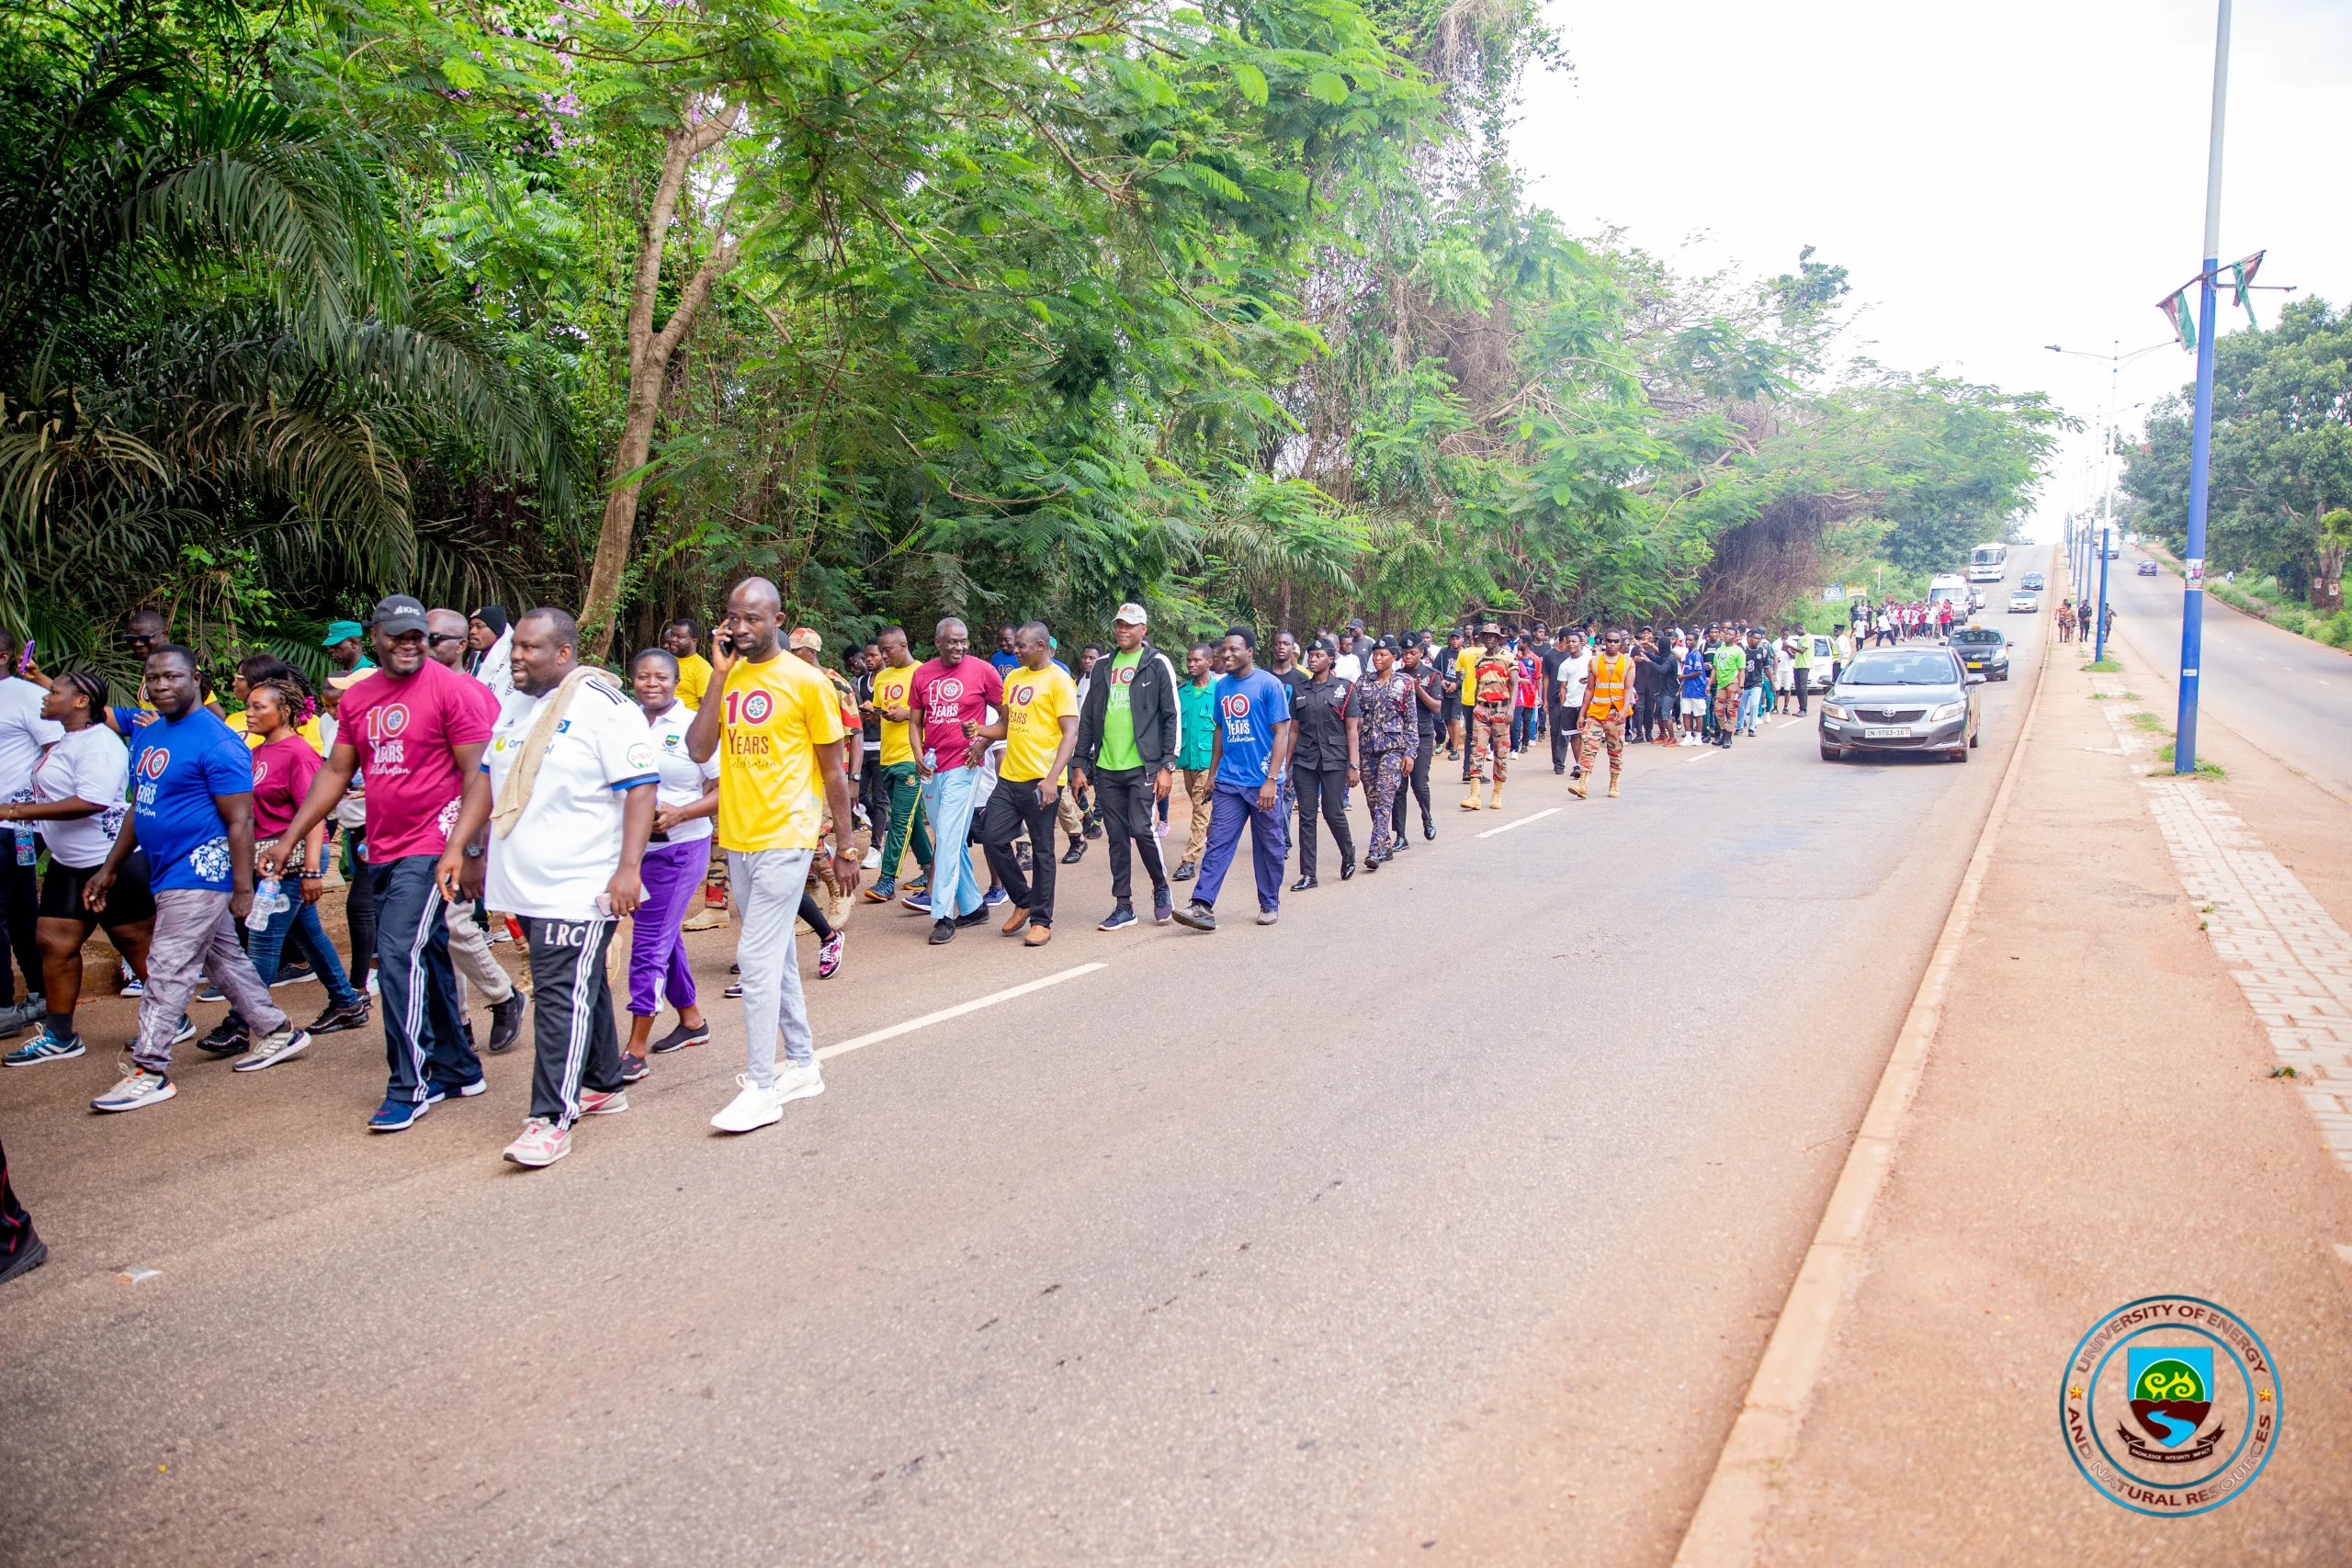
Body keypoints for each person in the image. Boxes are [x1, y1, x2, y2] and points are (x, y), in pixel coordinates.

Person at [435, 608, 656, 1168]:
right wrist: (462, 847)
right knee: (582, 983)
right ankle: (602, 1083)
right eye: (515, 648)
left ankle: (550, 1119)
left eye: (529, 649)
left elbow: (640, 789)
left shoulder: (607, 708)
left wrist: (629, 869)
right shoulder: (515, 705)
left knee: (560, 993)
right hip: (523, 883)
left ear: (563, 653)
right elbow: (487, 780)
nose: (516, 657)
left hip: (579, 883)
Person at [264, 595, 492, 1131]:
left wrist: (468, 850)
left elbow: (480, 776)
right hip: (384, 844)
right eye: (398, 636)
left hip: (435, 844)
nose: (410, 645)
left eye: (418, 637)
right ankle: (457, 1068)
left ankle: (409, 1085)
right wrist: (291, 837)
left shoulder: (455, 690)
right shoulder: (359, 698)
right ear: (376, 638)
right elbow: (335, 772)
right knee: (425, 951)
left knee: (395, 955)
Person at [86, 644, 305, 1111]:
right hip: (164, 868)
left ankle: (150, 1069)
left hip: (201, 869)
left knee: (168, 966)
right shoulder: (148, 734)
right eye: (153, 678)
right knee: (222, 958)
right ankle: (276, 1030)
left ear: (195, 680)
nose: (161, 685)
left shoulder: (218, 741)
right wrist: (109, 868)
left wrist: (242, 888)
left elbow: (241, 821)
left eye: (172, 677)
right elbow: (140, 805)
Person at [688, 580, 858, 1134]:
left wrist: (845, 846)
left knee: (755, 958)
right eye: (733, 618)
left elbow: (834, 772)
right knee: (777, 953)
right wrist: (718, 675)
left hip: (787, 836)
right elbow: (697, 748)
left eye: (753, 618)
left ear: (778, 620)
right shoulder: (730, 676)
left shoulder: (808, 682)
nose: (741, 628)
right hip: (738, 838)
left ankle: (762, 1088)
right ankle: (803, 1065)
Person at [195, 674, 369, 1065]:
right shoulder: (257, 752)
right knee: (308, 935)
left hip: (289, 865)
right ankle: (347, 1002)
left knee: (262, 942)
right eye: (249, 706)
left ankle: (240, 1024)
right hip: (264, 862)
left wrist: (312, 871)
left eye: (259, 707)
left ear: (285, 711)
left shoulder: (298, 754)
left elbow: (314, 815)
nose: (249, 713)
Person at [1, 671, 151, 1066]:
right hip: (68, 863)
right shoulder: (69, 740)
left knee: (136, 946)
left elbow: (92, 801)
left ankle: (170, 1019)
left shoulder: (100, 743)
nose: (45, 696)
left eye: (54, 692)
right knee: (54, 943)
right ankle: (60, 1036)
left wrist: (15, 812)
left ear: (81, 701)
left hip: (111, 862)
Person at [425, 608, 526, 1055]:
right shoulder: (410, 692)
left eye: (433, 638)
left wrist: (473, 847)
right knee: (435, 932)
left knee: (452, 921)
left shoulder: (473, 693)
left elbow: (487, 775)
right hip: (414, 830)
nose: (423, 646)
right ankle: (458, 1022)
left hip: (457, 827)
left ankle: (503, 995)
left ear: (460, 645)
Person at [622, 647, 721, 1081]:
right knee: (664, 936)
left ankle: (635, 1048)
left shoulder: (694, 726)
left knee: (648, 943)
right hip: (630, 851)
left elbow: (727, 788)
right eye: (643, 676)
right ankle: (692, 1021)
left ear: (676, 682)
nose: (652, 684)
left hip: (680, 849)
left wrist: (680, 813)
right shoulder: (621, 722)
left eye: (661, 677)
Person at [1172, 627, 1293, 931]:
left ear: (1249, 652)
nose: (1226, 654)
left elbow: (1282, 733)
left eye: (1234, 649)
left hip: (1263, 782)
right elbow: (1220, 730)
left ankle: (1269, 903)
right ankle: (1202, 905)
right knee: (1218, 842)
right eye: (1224, 650)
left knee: (1269, 845)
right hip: (1229, 781)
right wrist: (1213, 774)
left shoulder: (1268, 684)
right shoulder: (1222, 686)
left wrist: (1272, 779)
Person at [1071, 602, 1182, 930]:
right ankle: (1123, 905)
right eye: (1120, 624)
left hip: (1143, 766)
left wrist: (1167, 766)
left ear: (1143, 630)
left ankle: (1161, 887)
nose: (1123, 630)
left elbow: (1172, 716)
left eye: (1130, 625)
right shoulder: (1103, 666)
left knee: (1142, 830)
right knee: (1116, 836)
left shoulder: (1157, 663)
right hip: (1107, 766)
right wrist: (1078, 764)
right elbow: (1088, 718)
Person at [978, 623, 1081, 945]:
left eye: (1021, 646)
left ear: (1040, 645)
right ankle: (1023, 900)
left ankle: (1041, 920)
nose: (1016, 651)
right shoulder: (1014, 678)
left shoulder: (1059, 680)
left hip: (1042, 781)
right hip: (1010, 776)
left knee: (1042, 850)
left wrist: (1052, 779)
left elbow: (1071, 733)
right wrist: (979, 733)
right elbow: (1006, 725)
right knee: (992, 838)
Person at [904, 618, 1002, 942]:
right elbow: (915, 722)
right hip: (932, 767)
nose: (959, 647)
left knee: (946, 836)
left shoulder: (983, 671)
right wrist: (918, 754)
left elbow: (1006, 719)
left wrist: (983, 743)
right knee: (951, 838)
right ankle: (973, 906)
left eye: (963, 641)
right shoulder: (922, 674)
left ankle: (942, 914)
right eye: (952, 642)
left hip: (965, 765)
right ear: (938, 642)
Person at [0, 663, 62, 1039]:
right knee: (21, 908)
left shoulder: (27, 696)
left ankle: (3, 1008)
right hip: (11, 825)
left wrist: (29, 806)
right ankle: (42, 993)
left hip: (17, 825)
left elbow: (58, 752)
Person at [863, 626, 931, 904]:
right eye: (881, 650)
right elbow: (883, 713)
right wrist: (873, 714)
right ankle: (930, 869)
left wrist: (908, 714)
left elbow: (935, 714)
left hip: (912, 758)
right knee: (910, 818)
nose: (883, 655)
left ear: (903, 646)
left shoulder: (923, 673)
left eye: (887, 650)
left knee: (900, 820)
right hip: (887, 757)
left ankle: (887, 879)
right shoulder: (882, 677)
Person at [1287, 639, 1357, 889]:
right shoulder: (1299, 690)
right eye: (1311, 655)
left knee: (1332, 811)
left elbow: (1352, 730)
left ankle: (1348, 853)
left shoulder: (1344, 689)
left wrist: (1354, 765)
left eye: (1319, 655)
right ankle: (1309, 874)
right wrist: (1285, 767)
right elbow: (1293, 731)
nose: (1313, 659)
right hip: (1305, 760)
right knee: (1306, 816)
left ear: (1330, 659)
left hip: (1334, 759)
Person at [1354, 640, 1415, 868]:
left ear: (1394, 657)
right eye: (1375, 655)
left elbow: (1411, 720)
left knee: (1384, 797)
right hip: (1367, 747)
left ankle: (1375, 849)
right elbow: (1355, 717)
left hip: (1393, 748)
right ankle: (1386, 845)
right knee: (1372, 799)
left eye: (1383, 654)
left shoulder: (1404, 683)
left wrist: (1410, 753)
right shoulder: (1363, 682)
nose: (1377, 658)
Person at [1170, 643, 1218, 882]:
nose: (1191, 664)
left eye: (1197, 660)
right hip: (1188, 761)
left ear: (1209, 662)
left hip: (1210, 763)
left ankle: (1188, 861)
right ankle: (1218, 846)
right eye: (1189, 660)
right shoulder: (1182, 694)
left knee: (1200, 809)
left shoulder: (1219, 691)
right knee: (1203, 810)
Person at [1568, 629, 1634, 800]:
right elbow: (1589, 689)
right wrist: (1582, 714)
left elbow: (1628, 688)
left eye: (1616, 641)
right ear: (1604, 641)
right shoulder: (1595, 661)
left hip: (1616, 712)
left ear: (1620, 643)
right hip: (1596, 711)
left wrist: (1624, 710)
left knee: (1615, 750)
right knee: (1589, 747)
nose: (1612, 644)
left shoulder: (1628, 662)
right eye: (1609, 640)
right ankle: (1583, 784)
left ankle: (1614, 783)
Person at [1460, 623, 1514, 809]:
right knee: (1477, 750)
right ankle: (1474, 794)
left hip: (1501, 709)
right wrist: (1476, 705)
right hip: (1482, 709)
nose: (1489, 638)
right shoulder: (1479, 659)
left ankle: (1497, 793)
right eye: (1486, 636)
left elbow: (1514, 685)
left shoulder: (1508, 658)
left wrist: (1511, 710)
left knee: (1501, 752)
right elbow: (1478, 684)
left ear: (1498, 638)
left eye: (1493, 635)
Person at [1549, 627, 1589, 775]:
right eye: (1569, 642)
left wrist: (1589, 680)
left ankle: (1581, 764)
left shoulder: (1589, 660)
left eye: (1574, 641)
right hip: (1570, 704)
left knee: (1584, 734)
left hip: (1587, 703)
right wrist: (1563, 705)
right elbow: (1563, 687)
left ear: (1581, 643)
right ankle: (1579, 764)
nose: (1571, 644)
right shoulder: (1564, 665)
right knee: (1574, 735)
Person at [664, 618, 713, 712]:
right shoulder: (667, 662)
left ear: (693, 641)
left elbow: (708, 709)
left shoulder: (702, 669)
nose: (673, 639)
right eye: (672, 635)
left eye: (680, 637)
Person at [1710, 626, 1746, 749]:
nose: (1727, 636)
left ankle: (1728, 737)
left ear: (1735, 637)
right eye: (1726, 634)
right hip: (1721, 684)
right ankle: (1724, 733)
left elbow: (1742, 671)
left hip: (1733, 682)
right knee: (1718, 710)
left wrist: (1741, 686)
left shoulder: (1739, 651)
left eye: (1730, 634)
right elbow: (1715, 669)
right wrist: (1709, 684)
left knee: (1732, 710)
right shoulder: (1719, 650)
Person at [465, 606, 509, 677]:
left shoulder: (510, 666)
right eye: (471, 627)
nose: (472, 631)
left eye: (479, 627)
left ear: (497, 632)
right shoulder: (474, 660)